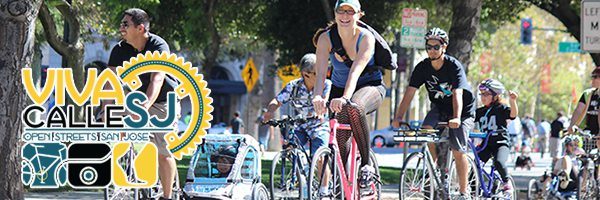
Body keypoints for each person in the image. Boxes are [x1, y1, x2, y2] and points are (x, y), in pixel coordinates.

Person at [392, 27, 476, 199]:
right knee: (426, 131)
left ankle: (464, 191)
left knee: (457, 149)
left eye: (436, 46)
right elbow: (409, 92)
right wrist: (398, 117)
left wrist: (457, 117)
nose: (431, 50)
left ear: (444, 47)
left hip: (462, 111)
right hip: (440, 108)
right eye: (428, 46)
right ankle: (435, 167)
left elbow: (457, 93)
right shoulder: (422, 67)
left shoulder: (454, 66)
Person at [312, 0, 386, 193]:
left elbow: (354, 72)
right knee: (339, 133)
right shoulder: (326, 39)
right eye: (341, 11)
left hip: (370, 87)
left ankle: (366, 167)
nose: (345, 16)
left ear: (359, 15)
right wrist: (318, 96)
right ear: (335, 14)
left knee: (354, 107)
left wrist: (345, 98)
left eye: (350, 12)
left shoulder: (366, 37)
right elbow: (320, 74)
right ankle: (343, 180)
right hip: (339, 88)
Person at [107, 8, 179, 200]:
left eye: (125, 24)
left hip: (163, 101)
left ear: (140, 28)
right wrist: (107, 109)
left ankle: (167, 196)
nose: (121, 28)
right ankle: (131, 171)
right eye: (121, 23)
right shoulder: (119, 50)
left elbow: (157, 79)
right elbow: (109, 82)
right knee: (117, 132)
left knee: (163, 151)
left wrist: (144, 107)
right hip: (135, 99)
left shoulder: (158, 45)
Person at [263, 53, 332, 195]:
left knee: (319, 158)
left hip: (318, 125)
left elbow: (324, 100)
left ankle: (324, 191)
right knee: (290, 148)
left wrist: (321, 109)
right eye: (317, 73)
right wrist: (269, 112)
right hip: (299, 125)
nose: (322, 75)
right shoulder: (293, 86)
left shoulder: (326, 84)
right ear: (305, 74)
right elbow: (278, 100)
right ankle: (303, 179)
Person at [474, 78, 518, 195]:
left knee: (499, 162)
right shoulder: (480, 111)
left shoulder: (500, 108)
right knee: (474, 165)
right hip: (486, 144)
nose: (483, 97)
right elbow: (468, 119)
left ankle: (506, 182)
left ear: (495, 95)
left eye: (486, 94)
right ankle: (472, 189)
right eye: (481, 94)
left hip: (500, 142)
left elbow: (513, 115)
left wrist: (513, 101)